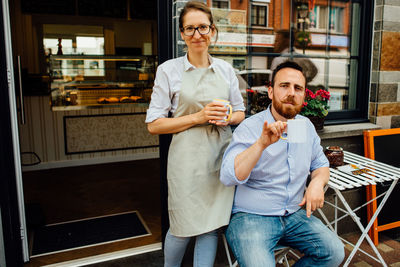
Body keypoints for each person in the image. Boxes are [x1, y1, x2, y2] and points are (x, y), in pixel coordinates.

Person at [145, 2, 245, 267]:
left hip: (219, 156)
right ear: (182, 33)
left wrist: (227, 117)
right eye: (190, 28)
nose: (197, 34)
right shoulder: (168, 70)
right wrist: (199, 117)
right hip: (186, 160)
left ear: (212, 30)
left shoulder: (225, 69)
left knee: (211, 226)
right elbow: (154, 124)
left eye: (202, 27)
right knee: (182, 226)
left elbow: (240, 113)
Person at [220, 61, 344, 267]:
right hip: (252, 217)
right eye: (284, 86)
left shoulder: (304, 126)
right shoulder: (250, 128)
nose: (291, 93)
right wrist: (260, 144)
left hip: (294, 215)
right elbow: (228, 176)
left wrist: (316, 184)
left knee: (333, 252)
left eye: (298, 88)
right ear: (270, 91)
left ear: (304, 95)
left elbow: (320, 164)